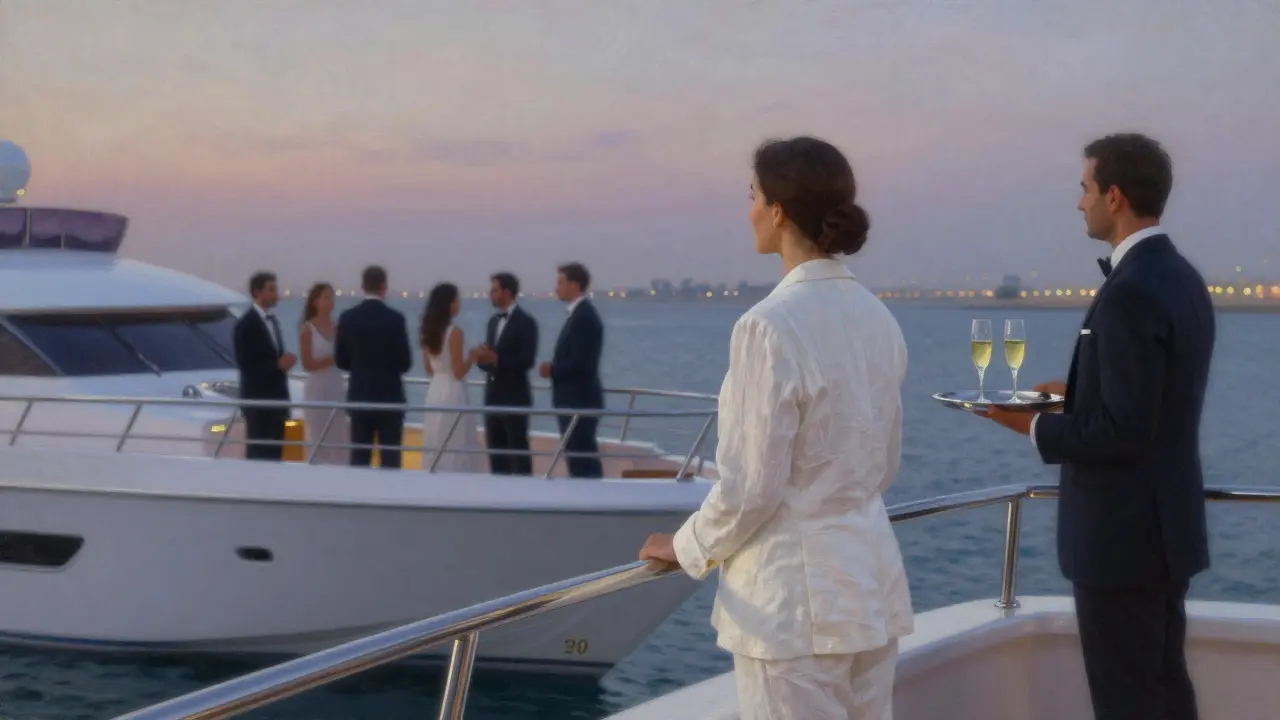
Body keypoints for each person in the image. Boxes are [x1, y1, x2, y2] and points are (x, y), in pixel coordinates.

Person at [639, 137, 913, 720]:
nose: (749, 211)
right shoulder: (879, 317)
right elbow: (883, 464)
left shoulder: (767, 327)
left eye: (753, 197)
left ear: (779, 211)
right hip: (868, 587)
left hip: (791, 608)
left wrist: (686, 546)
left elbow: (749, 489)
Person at [984, 133, 1213, 720]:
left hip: (1122, 544)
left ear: (1114, 196)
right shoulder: (1182, 278)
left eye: (1085, 188)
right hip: (1166, 533)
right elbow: (1157, 400)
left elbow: (1123, 432)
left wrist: (1031, 426)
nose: (1079, 201)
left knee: (1129, 702)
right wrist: (1076, 394)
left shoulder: (1130, 290)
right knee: (1165, 690)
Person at [334, 265, 414, 469]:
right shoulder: (396, 319)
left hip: (360, 396)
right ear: (383, 286)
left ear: (363, 286)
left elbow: (341, 361)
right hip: (390, 399)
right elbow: (405, 363)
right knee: (390, 460)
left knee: (360, 459)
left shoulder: (348, 318)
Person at [539, 262, 604, 478]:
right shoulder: (580, 315)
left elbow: (581, 363)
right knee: (578, 457)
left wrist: (552, 370)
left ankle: (591, 494)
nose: (556, 288)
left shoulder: (583, 318)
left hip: (578, 400)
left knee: (582, 458)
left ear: (574, 285)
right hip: (575, 399)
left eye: (560, 282)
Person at [474, 272, 538, 475]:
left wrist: (496, 360)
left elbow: (527, 361)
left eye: (494, 290)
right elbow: (491, 361)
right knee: (496, 453)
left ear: (507, 292)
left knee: (518, 453)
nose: (490, 294)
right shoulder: (493, 321)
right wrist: (482, 359)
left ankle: (524, 490)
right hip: (492, 397)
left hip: (515, 398)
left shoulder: (526, 322)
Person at [419, 282, 485, 473]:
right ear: (449, 304)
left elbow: (428, 369)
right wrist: (472, 356)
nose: (458, 305)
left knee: (435, 437)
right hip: (452, 391)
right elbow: (458, 371)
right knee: (456, 438)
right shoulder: (454, 333)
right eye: (456, 301)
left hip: (434, 390)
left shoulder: (427, 331)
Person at [232, 271, 296, 461]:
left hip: (277, 401)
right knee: (258, 454)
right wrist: (278, 366)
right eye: (271, 290)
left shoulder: (273, 321)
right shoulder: (245, 325)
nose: (276, 294)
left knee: (276, 455)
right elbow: (246, 365)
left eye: (275, 289)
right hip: (258, 402)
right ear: (257, 292)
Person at [298, 282, 349, 465]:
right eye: (326, 298)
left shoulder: (337, 327)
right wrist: (332, 359)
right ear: (315, 301)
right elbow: (308, 364)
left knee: (337, 432)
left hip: (335, 384)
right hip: (317, 386)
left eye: (332, 298)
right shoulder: (307, 329)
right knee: (317, 433)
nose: (330, 302)